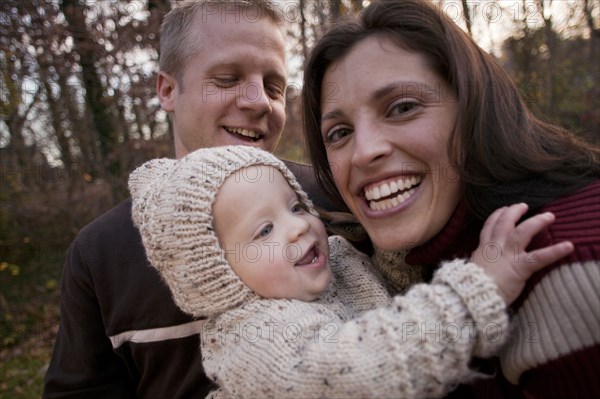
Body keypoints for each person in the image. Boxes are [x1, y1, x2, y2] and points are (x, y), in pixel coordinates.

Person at [302, 0, 600, 397]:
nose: (363, 152)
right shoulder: (424, 260)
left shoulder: (565, 259)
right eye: (338, 133)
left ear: (475, 106)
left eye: (403, 107)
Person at [43, 1, 338, 398]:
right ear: (167, 90)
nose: (259, 102)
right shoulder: (101, 253)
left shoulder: (332, 200)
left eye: (274, 87)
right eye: (227, 78)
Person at [128, 145, 573, 399]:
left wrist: (399, 245)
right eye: (264, 230)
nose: (299, 225)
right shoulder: (253, 340)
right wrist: (472, 293)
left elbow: (391, 299)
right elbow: (357, 368)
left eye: (296, 205)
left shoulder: (336, 260)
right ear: (217, 275)